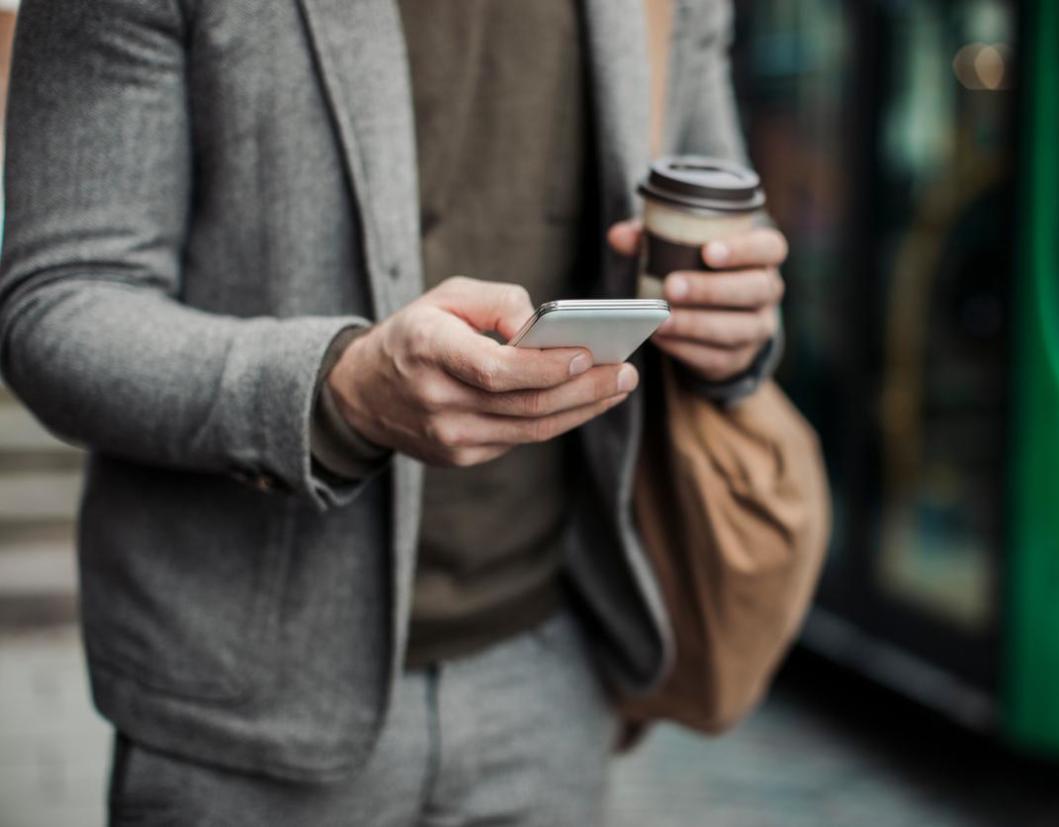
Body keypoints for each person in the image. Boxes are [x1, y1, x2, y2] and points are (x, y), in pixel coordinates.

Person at [0, 0, 787, 824]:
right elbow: (61, 303)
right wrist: (336, 392)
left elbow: (720, 217)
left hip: (556, 671)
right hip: (238, 703)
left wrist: (734, 325)